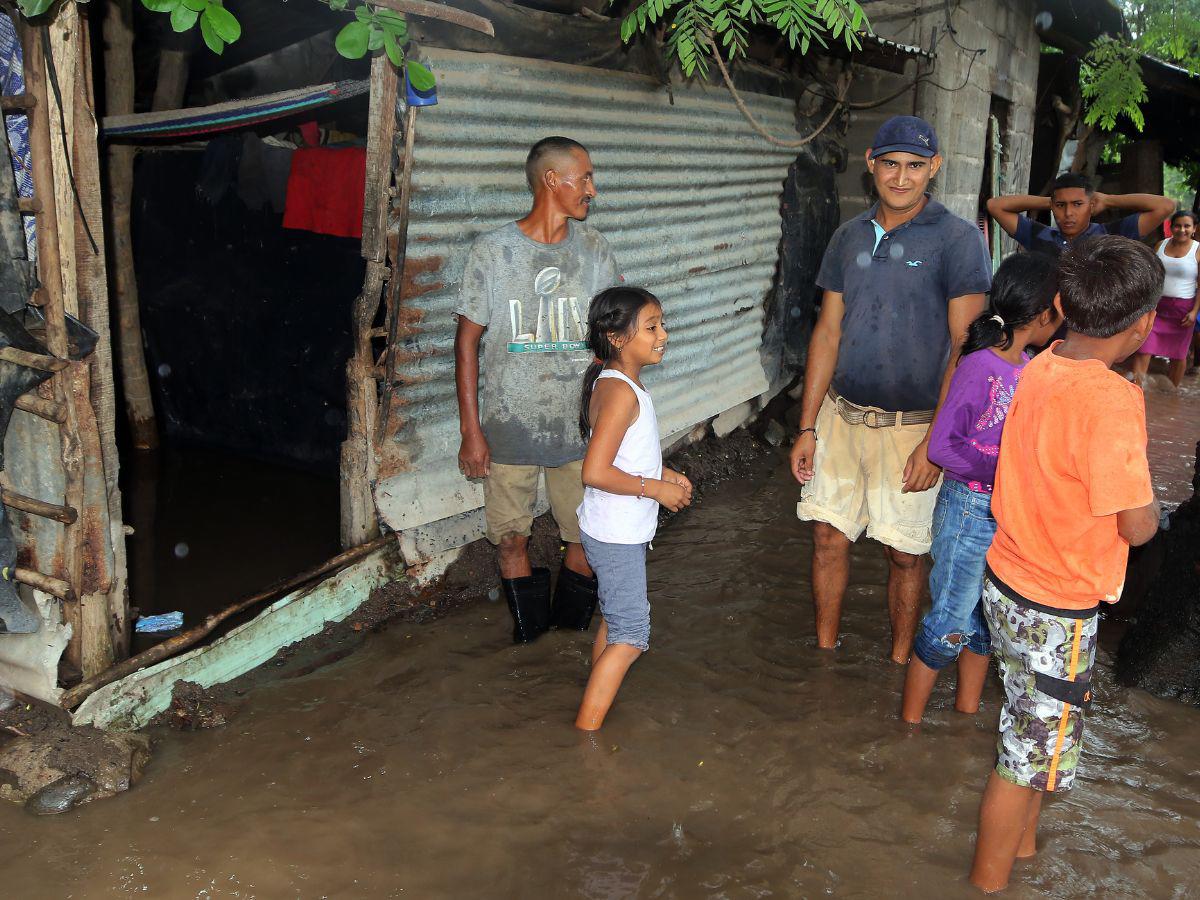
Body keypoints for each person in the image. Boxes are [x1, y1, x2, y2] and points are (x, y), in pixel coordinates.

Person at [969, 235, 1161, 893]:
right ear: (1141, 327)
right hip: (1056, 606)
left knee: (1028, 735)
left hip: (1007, 579)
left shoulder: (1043, 362)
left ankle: (1021, 859)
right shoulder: (1112, 402)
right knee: (1024, 759)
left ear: (1061, 303)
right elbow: (1135, 525)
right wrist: (1154, 507)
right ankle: (989, 884)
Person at [790, 115, 991, 663]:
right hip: (840, 416)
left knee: (905, 555)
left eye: (915, 166)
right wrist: (807, 426)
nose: (901, 178)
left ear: (935, 169)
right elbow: (827, 332)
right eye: (891, 164)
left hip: (914, 426)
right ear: (871, 165)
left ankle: (901, 662)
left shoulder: (959, 240)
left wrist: (936, 445)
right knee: (828, 538)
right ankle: (825, 654)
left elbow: (964, 347)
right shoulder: (847, 236)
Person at [454, 136, 620, 643]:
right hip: (510, 430)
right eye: (584, 177)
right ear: (552, 180)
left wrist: (610, 422)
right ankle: (531, 644)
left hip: (578, 430)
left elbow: (613, 342)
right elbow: (466, 346)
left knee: (585, 541)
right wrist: (471, 431)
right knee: (510, 541)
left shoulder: (595, 252)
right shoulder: (493, 252)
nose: (592, 189)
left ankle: (566, 643)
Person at [899, 254, 1061, 725]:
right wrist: (1006, 469)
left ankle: (964, 716)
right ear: (1041, 312)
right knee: (951, 617)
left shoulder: (1028, 366)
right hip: (969, 508)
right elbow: (944, 448)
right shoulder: (980, 365)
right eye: (1061, 305)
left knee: (985, 623)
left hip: (1004, 512)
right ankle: (908, 723)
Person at [573, 287, 692, 730]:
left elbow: (624, 452)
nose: (663, 335)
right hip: (616, 531)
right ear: (617, 337)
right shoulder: (621, 392)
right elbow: (595, 471)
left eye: (662, 324)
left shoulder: (617, 383)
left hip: (610, 527)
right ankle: (586, 732)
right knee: (632, 635)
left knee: (614, 617)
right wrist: (655, 489)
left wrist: (665, 471)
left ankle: (596, 695)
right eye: (652, 327)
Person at [986, 173, 1174, 256]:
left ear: (1091, 205)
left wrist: (1108, 200)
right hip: (1047, 334)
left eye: (1077, 204)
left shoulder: (1111, 235)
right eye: (1061, 205)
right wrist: (1048, 203)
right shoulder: (1039, 235)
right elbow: (995, 205)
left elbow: (1164, 206)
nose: (1068, 213)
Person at [1128, 209, 1200, 388]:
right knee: (1144, 349)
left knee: (1178, 354)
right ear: (1171, 227)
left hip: (1183, 310)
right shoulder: (1160, 245)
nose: (1181, 230)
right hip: (1156, 307)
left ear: (1194, 229)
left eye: (1186, 226)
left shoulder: (1198, 250)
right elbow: (1149, 274)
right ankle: (1136, 391)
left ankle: (1172, 394)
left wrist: (1194, 312)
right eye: (1177, 225)